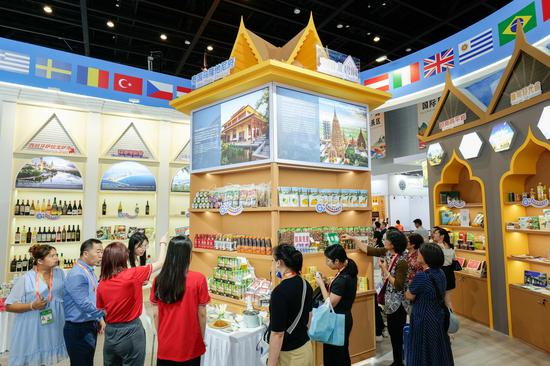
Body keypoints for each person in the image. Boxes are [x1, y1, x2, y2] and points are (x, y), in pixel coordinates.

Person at [97, 234, 168, 366]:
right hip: (131, 331)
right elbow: (162, 262)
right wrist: (163, 243)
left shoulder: (102, 282)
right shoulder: (133, 274)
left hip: (111, 332)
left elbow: (103, 310)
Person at [343, 230, 409, 366]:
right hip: (390, 303)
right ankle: (398, 361)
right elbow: (368, 249)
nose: (384, 241)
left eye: (387, 239)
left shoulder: (402, 261)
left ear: (392, 244)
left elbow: (398, 285)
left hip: (398, 304)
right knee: (393, 333)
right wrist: (353, 238)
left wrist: (384, 269)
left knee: (397, 335)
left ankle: (399, 362)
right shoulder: (387, 252)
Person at [151, 235, 210, 366]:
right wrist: (201, 337)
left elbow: (156, 314)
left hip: (166, 343)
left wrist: (161, 336)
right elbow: (202, 314)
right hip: (190, 344)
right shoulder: (199, 279)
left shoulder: (158, 280)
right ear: (188, 255)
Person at [5, 244, 68, 366]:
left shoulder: (60, 273)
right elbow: (9, 305)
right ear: (39, 261)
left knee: (46, 358)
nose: (56, 258)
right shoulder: (26, 279)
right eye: (51, 256)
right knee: (33, 358)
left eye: (56, 255)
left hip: (52, 325)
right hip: (31, 326)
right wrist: (32, 305)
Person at [405, 243, 454, 365]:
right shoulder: (441, 273)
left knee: (422, 349)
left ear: (426, 257)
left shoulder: (422, 276)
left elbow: (409, 295)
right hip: (437, 315)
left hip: (423, 318)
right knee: (437, 348)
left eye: (420, 253)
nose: (418, 255)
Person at [268, 244, 313, 366]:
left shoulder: (279, 293)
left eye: (273, 260)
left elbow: (277, 334)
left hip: (289, 357)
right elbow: (309, 318)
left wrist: (270, 364)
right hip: (306, 349)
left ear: (279, 263)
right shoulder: (306, 285)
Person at [63, 239, 105, 366]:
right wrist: (106, 312)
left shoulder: (88, 270)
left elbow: (92, 298)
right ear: (85, 253)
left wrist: (99, 318)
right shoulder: (77, 274)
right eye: (98, 252)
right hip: (78, 328)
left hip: (88, 324)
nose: (101, 255)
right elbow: (84, 303)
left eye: (102, 252)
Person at [315, 244, 358, 366]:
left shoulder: (343, 279)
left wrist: (321, 285)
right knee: (341, 353)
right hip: (343, 318)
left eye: (328, 260)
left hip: (338, 320)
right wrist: (328, 282)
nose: (326, 263)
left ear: (337, 261)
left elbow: (330, 303)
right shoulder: (348, 268)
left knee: (335, 356)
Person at [432, 227, 456, 309]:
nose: (433, 235)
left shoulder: (437, 247)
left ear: (441, 236)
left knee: (444, 300)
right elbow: (453, 259)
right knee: (447, 299)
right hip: (449, 273)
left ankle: (450, 320)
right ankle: (450, 319)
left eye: (436, 233)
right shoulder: (450, 246)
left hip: (441, 273)